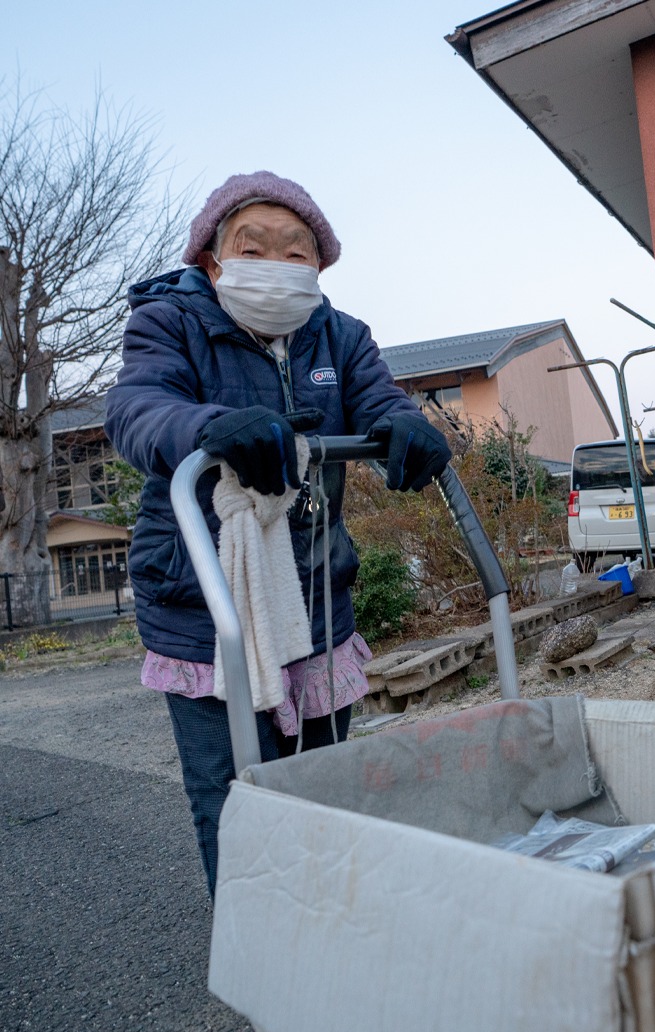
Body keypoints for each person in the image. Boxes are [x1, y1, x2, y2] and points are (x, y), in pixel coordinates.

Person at [105, 171, 451, 898]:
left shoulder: (340, 335)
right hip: (207, 608)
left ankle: (325, 918)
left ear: (319, 267)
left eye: (296, 252)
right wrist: (207, 428)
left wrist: (404, 424)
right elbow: (137, 409)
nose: (275, 263)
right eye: (251, 245)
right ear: (211, 260)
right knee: (236, 794)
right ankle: (259, 945)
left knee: (324, 783)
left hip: (317, 590)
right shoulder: (169, 322)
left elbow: (379, 397)